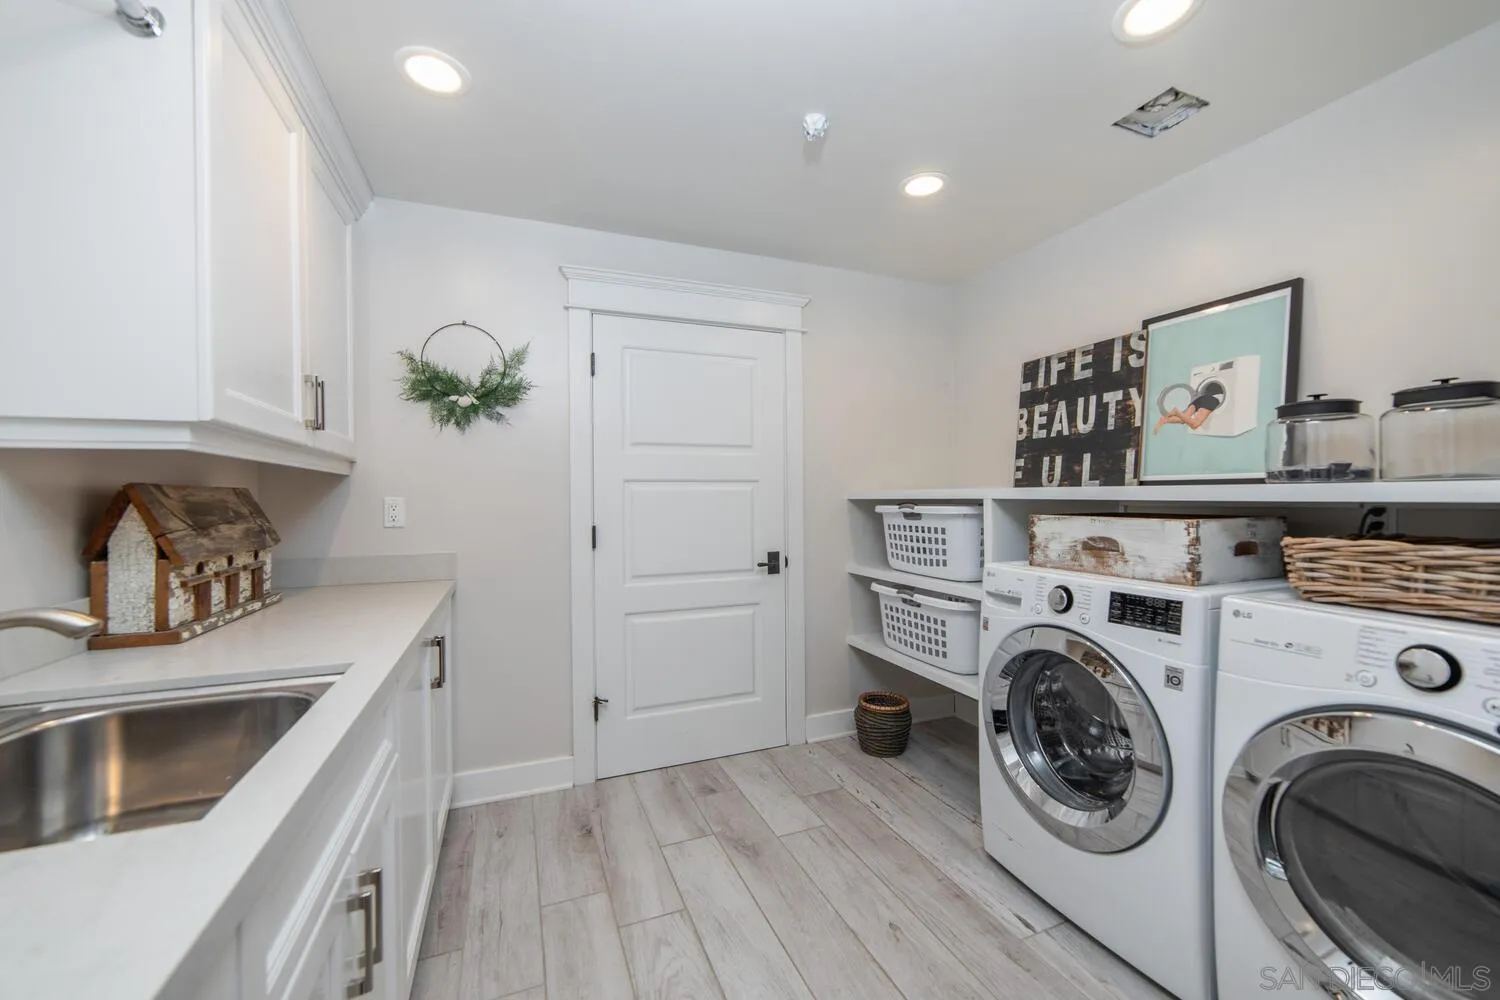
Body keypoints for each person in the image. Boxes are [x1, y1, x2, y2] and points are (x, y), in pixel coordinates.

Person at [1154, 382, 1224, 435]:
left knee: (1183, 420)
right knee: (1195, 424)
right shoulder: (1218, 396)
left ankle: (1164, 420)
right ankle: (1176, 411)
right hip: (1210, 399)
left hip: (1198, 399)